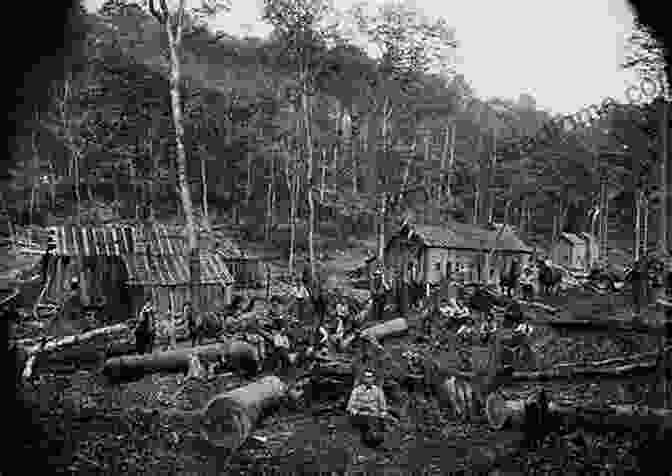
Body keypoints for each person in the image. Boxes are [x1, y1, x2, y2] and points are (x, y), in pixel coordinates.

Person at [347, 369, 388, 447]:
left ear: (373, 378)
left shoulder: (378, 391)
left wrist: (383, 413)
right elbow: (350, 406)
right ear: (363, 378)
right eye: (366, 377)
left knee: (376, 423)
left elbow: (383, 407)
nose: (368, 379)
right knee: (368, 423)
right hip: (361, 415)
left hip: (374, 415)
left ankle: (375, 440)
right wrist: (354, 411)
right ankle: (369, 440)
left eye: (370, 377)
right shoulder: (357, 390)